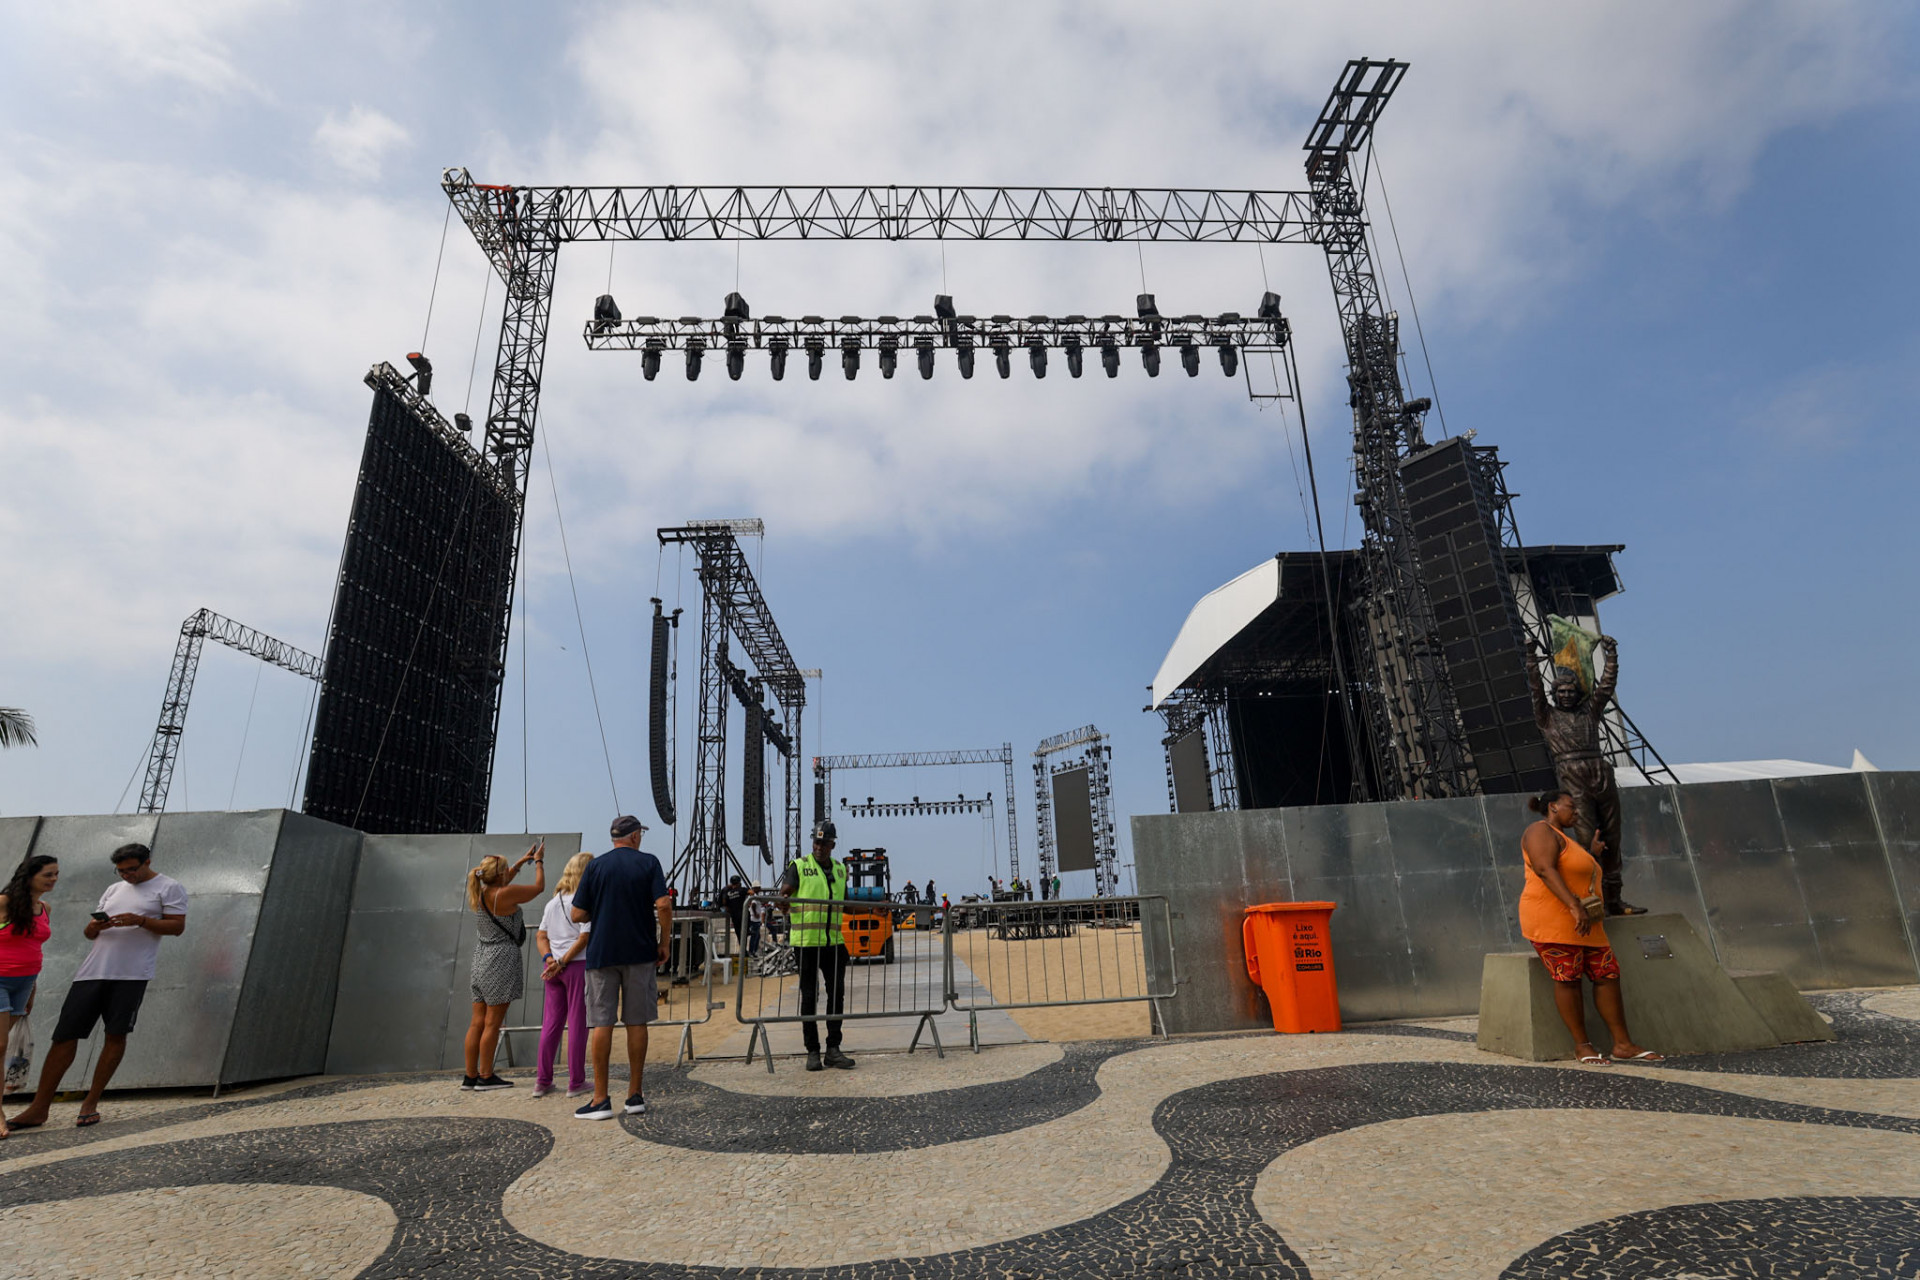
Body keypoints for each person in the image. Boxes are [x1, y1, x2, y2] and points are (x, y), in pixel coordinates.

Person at [10, 842, 186, 1131]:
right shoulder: (113, 889)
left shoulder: (169, 887)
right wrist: (94, 928)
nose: (126, 875)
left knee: (115, 1036)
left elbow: (177, 927)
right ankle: (39, 1108)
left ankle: (90, 1103)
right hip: (91, 972)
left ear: (147, 862)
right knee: (64, 1037)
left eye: (132, 869)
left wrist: (141, 921)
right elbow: (89, 931)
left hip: (132, 975)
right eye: (121, 870)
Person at [1520, 790, 1662, 1065]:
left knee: (1607, 974)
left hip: (1586, 922)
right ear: (1552, 806)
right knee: (1568, 977)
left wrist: (1590, 853)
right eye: (1570, 807)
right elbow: (1544, 869)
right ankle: (1582, 1045)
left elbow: (1571, 868)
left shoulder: (1565, 839)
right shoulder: (1539, 830)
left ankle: (1622, 1044)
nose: (1576, 812)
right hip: (1554, 920)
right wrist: (1574, 906)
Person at [1528, 633, 1642, 916]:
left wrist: (1611, 655)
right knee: (1586, 839)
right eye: (1561, 692)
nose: (1566, 695)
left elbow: (1606, 686)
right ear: (1555, 695)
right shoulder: (1547, 717)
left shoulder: (1590, 712)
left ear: (1579, 694)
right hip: (1573, 777)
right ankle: (1592, 898)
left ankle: (1614, 899)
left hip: (1600, 772)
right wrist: (1531, 657)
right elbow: (1534, 689)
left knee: (1613, 839)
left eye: (1570, 691)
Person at [569, 815, 671, 1121]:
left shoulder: (596, 866)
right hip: (640, 952)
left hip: (602, 953)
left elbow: (576, 913)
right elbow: (663, 905)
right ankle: (634, 1095)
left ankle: (600, 1099)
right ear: (636, 836)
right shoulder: (649, 863)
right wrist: (663, 942)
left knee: (602, 1023)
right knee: (636, 1022)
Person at [463, 841, 545, 1092]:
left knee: (477, 1022)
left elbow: (503, 880)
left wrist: (521, 862)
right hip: (500, 960)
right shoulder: (503, 894)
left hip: (481, 959)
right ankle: (486, 1076)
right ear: (499, 875)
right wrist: (539, 861)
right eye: (507, 869)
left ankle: (470, 1076)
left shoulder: (481, 892)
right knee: (492, 1023)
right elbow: (539, 888)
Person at [779, 819, 855, 1072]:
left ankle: (833, 1049)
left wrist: (875, 910)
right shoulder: (799, 866)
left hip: (834, 944)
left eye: (824, 842)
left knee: (837, 996)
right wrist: (783, 903)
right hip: (807, 944)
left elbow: (845, 904)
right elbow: (785, 894)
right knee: (810, 997)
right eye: (816, 842)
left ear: (832, 844)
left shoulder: (840, 869)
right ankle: (812, 1051)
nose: (819, 846)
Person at [0, 855, 59, 1139]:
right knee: (0, 1047)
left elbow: (35, 948)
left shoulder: (44, 907)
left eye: (56, 874)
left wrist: (32, 989)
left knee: (2, 1048)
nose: (53, 879)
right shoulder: (4, 902)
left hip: (24, 983)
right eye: (48, 874)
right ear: (30, 875)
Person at [534, 852, 594, 1099]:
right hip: (576, 966)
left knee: (551, 1024)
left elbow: (540, 936)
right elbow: (584, 937)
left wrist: (549, 960)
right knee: (578, 1024)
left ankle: (543, 1080)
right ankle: (576, 1081)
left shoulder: (553, 902)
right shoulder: (584, 903)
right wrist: (562, 961)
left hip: (553, 970)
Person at [719, 875, 750, 946]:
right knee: (744, 933)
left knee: (739, 934)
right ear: (739, 883)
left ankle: (743, 951)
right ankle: (749, 930)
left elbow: (724, 903)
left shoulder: (727, 892)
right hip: (743, 915)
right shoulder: (742, 890)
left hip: (734, 916)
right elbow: (751, 892)